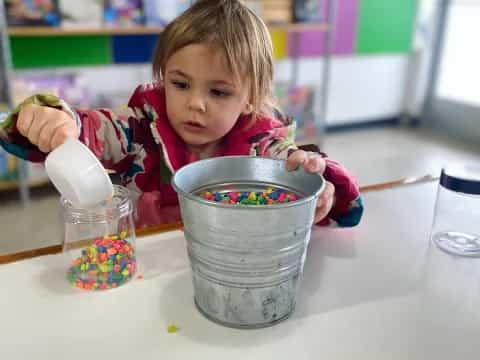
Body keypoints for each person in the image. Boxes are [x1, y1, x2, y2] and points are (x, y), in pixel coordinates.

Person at [0, 0, 363, 228]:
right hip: (146, 270)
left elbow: (300, 172)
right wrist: (55, 120)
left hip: (228, 269)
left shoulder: (263, 147)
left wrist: (321, 185)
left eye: (219, 91)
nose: (195, 104)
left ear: (251, 98)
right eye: (181, 84)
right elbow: (90, 127)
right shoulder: (139, 128)